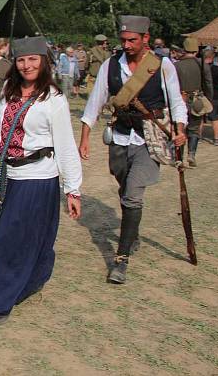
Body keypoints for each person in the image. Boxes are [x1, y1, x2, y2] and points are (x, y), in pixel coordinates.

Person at [0, 36, 82, 325]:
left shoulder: (54, 100)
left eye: (32, 59)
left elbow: (66, 145)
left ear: (44, 61)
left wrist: (73, 189)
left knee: (15, 238)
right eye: (21, 60)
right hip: (7, 174)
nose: (26, 65)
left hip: (37, 178)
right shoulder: (9, 90)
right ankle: (26, 280)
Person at [79, 15, 187, 284]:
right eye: (123, 40)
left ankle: (121, 259)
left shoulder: (162, 66)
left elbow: (176, 102)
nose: (126, 45)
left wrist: (180, 128)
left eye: (132, 40)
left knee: (132, 195)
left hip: (149, 139)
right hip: (119, 136)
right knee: (123, 185)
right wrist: (84, 137)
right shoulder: (110, 65)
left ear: (145, 39)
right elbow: (95, 101)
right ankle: (132, 230)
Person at [174, 37, 213, 167]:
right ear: (196, 50)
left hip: (180, 100)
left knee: (180, 130)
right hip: (197, 99)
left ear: (184, 49)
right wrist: (209, 99)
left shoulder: (177, 65)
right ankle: (191, 154)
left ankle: (179, 158)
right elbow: (208, 84)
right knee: (194, 129)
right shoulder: (202, 64)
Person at [202, 49, 218, 144]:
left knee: (199, 117)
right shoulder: (217, 69)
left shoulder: (199, 67)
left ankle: (199, 137)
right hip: (215, 95)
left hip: (201, 94)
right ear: (211, 58)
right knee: (215, 117)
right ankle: (216, 139)